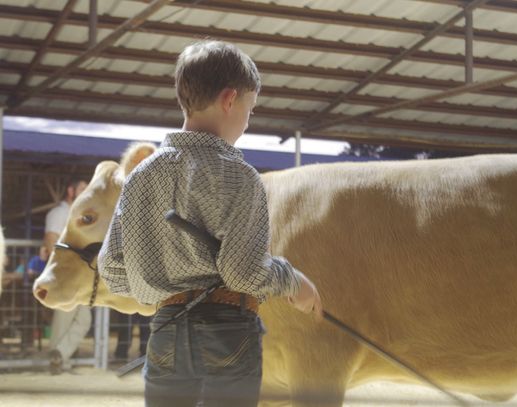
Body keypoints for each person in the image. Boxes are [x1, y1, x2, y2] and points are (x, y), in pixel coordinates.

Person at [98, 40, 322, 407]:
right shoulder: (238, 176)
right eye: (250, 108)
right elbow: (241, 273)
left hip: (166, 330)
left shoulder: (141, 176)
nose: (248, 120)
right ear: (230, 99)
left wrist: (162, 291)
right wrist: (293, 281)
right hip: (227, 330)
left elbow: (112, 267)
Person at [44, 178, 92, 375]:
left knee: (83, 319)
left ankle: (60, 355)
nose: (87, 191)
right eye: (82, 188)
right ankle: (57, 362)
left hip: (78, 275)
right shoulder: (60, 212)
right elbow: (50, 239)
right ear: (71, 190)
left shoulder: (79, 214)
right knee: (64, 319)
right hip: (64, 273)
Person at [21, 245, 49, 348]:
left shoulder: (47, 262)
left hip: (42, 294)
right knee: (29, 316)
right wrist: (41, 275)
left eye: (46, 252)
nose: (45, 253)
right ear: (40, 252)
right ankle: (27, 342)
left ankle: (39, 343)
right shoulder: (35, 260)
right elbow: (30, 272)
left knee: (39, 317)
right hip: (31, 293)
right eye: (44, 251)